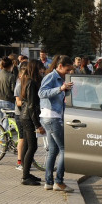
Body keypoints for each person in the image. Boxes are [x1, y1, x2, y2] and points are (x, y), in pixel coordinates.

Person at [39, 55, 75, 192]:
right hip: (51, 116)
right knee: (66, 149)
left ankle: (49, 182)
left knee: (53, 150)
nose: (68, 72)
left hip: (51, 116)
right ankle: (58, 182)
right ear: (60, 66)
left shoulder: (60, 78)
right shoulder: (51, 76)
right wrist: (60, 89)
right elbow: (41, 93)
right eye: (67, 69)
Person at [17, 59, 45, 185]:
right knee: (32, 146)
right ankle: (25, 176)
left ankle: (26, 173)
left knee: (28, 146)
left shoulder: (27, 80)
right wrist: (38, 125)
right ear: (35, 69)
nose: (42, 71)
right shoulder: (31, 82)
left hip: (25, 116)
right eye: (40, 69)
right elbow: (32, 106)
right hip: (28, 117)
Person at [0, 57, 16, 130]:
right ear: (11, 66)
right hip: (8, 101)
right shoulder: (11, 76)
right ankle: (3, 139)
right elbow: (13, 90)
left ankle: (2, 137)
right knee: (6, 122)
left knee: (2, 122)